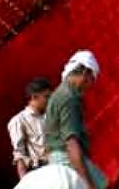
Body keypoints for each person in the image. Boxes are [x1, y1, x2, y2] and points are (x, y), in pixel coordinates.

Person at [15, 50, 106, 189]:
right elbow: (71, 143)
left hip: (54, 160)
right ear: (84, 73)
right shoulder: (69, 98)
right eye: (91, 78)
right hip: (66, 160)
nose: (91, 84)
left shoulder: (58, 94)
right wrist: (89, 184)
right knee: (101, 184)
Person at [10, 77, 53, 178]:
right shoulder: (19, 120)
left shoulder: (51, 116)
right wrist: (25, 184)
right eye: (46, 97)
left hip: (58, 168)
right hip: (38, 173)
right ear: (34, 97)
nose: (50, 100)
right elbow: (19, 156)